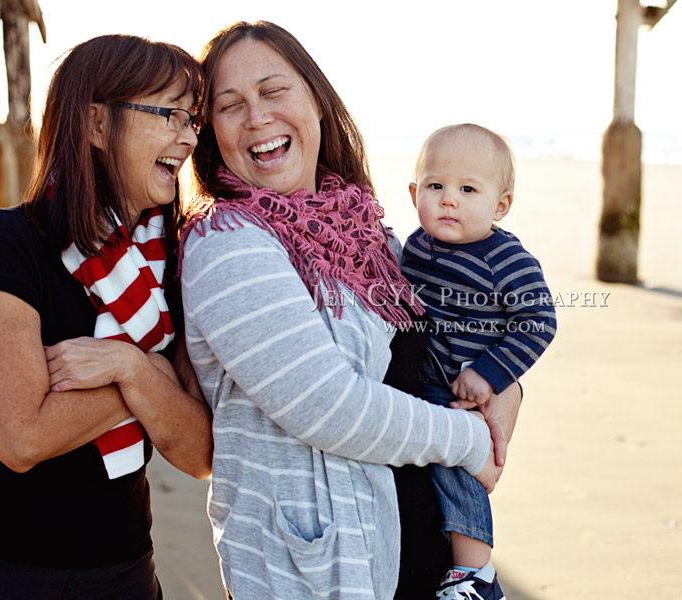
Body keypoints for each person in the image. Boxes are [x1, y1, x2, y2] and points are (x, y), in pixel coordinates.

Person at [180, 20, 522, 600]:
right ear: (212, 133)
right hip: (320, 573)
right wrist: (469, 440)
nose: (257, 117)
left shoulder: (371, 234)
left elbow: (449, 344)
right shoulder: (227, 243)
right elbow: (328, 405)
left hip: (425, 558)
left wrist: (505, 384)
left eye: (273, 90)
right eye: (229, 105)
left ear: (315, 98)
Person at [0, 34, 213, 600]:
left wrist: (126, 364)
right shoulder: (11, 243)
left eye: (193, 119)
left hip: (125, 569)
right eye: (170, 114)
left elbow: (199, 450)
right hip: (3, 572)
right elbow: (21, 437)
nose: (188, 137)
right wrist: (155, 377)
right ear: (96, 124)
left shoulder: (175, 260)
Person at [401, 123, 557, 599]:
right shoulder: (414, 247)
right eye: (436, 186)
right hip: (420, 378)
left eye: (468, 189)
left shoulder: (504, 258)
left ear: (500, 205)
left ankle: (475, 573)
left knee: (458, 466)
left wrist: (491, 375)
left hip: (463, 389)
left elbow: (538, 321)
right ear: (414, 194)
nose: (449, 199)